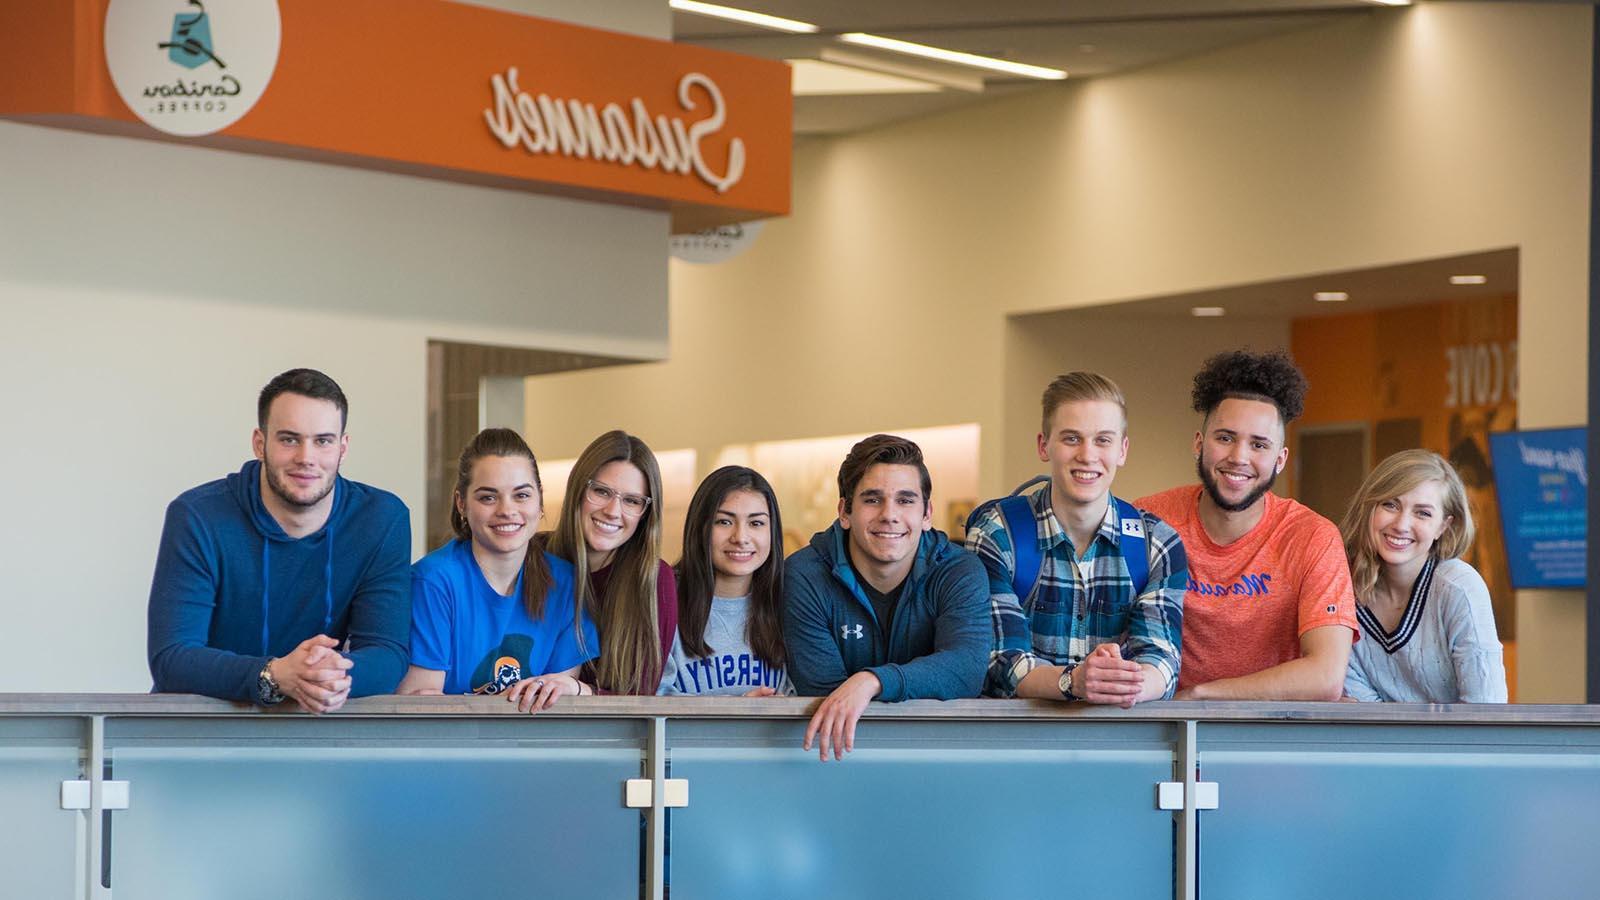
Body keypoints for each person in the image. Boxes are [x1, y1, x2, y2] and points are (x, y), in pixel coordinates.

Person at [147, 368, 410, 712]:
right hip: (200, 734)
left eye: (323, 441)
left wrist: (321, 677)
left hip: (319, 732)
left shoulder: (382, 519)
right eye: (289, 439)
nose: (306, 457)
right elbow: (172, 657)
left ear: (342, 447)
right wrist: (275, 675)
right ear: (260, 443)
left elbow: (388, 654)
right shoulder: (198, 516)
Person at [1136, 349, 1356, 701]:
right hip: (1165, 734)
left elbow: (1326, 676)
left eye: (1258, 444)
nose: (1239, 457)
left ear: (1280, 459)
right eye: (1225, 437)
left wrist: (1203, 696)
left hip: (1271, 738)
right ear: (1198, 443)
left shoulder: (1313, 537)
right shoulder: (1147, 521)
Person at [968, 372, 1185, 707]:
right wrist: (1075, 681)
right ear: (1044, 445)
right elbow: (999, 660)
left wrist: (1115, 684)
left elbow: (1161, 660)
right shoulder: (998, 534)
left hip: (1123, 742)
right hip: (1015, 745)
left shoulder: (1157, 543)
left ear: (1123, 450)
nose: (1087, 455)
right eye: (1072, 439)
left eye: (1103, 440)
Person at [784, 434, 989, 761]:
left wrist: (872, 681)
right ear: (844, 512)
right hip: (832, 757)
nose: (889, 515)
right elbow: (827, 696)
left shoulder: (958, 570)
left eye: (906, 500)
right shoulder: (805, 574)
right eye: (872, 499)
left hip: (937, 756)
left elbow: (966, 669)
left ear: (926, 515)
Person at [398, 428, 600, 712]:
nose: (507, 510)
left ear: (539, 500)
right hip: (449, 751)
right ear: (461, 503)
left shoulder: (566, 584)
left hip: (532, 750)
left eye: (521, 495)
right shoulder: (433, 582)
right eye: (488, 497)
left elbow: (556, 705)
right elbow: (421, 704)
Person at [1339, 450, 1507, 702]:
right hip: (1375, 742)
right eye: (1390, 504)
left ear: (1443, 526)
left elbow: (1486, 710)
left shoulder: (1459, 587)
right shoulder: (1339, 589)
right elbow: (1363, 718)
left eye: (1423, 513)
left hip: (1463, 742)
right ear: (1369, 508)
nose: (1401, 524)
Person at [545, 430, 678, 695]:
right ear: (578, 490)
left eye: (631, 500)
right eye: (602, 491)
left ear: (645, 514)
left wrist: (579, 691)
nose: (613, 511)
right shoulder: (534, 558)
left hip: (610, 735)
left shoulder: (653, 579)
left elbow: (640, 698)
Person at [661, 466, 792, 697]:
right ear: (700, 527)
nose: (740, 537)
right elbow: (651, 699)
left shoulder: (788, 601)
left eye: (756, 523)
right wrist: (737, 710)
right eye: (724, 521)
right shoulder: (663, 597)